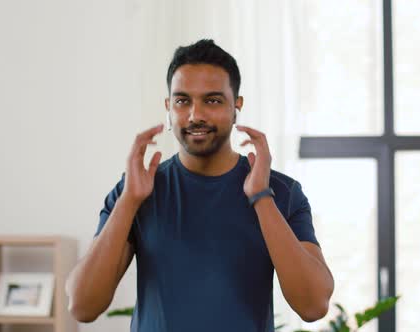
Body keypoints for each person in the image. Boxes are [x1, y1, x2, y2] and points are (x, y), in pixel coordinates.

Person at [65, 39, 334, 332]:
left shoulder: (281, 192)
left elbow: (313, 306)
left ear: (236, 106)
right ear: (168, 107)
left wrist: (261, 197)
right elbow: (82, 305)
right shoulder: (135, 190)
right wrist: (129, 201)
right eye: (182, 101)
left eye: (213, 100)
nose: (196, 115)